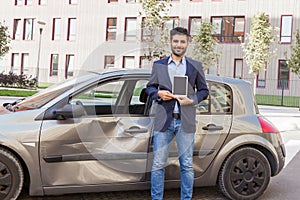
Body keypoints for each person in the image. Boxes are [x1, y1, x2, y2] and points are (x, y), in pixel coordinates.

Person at [146, 27, 209, 200]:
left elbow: (204, 91)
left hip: (185, 122)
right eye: (176, 41)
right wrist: (158, 94)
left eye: (182, 41)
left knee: (187, 165)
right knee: (158, 165)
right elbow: (149, 87)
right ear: (170, 42)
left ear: (188, 43)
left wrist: (192, 100)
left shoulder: (195, 66)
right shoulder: (159, 65)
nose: (179, 45)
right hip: (164, 122)